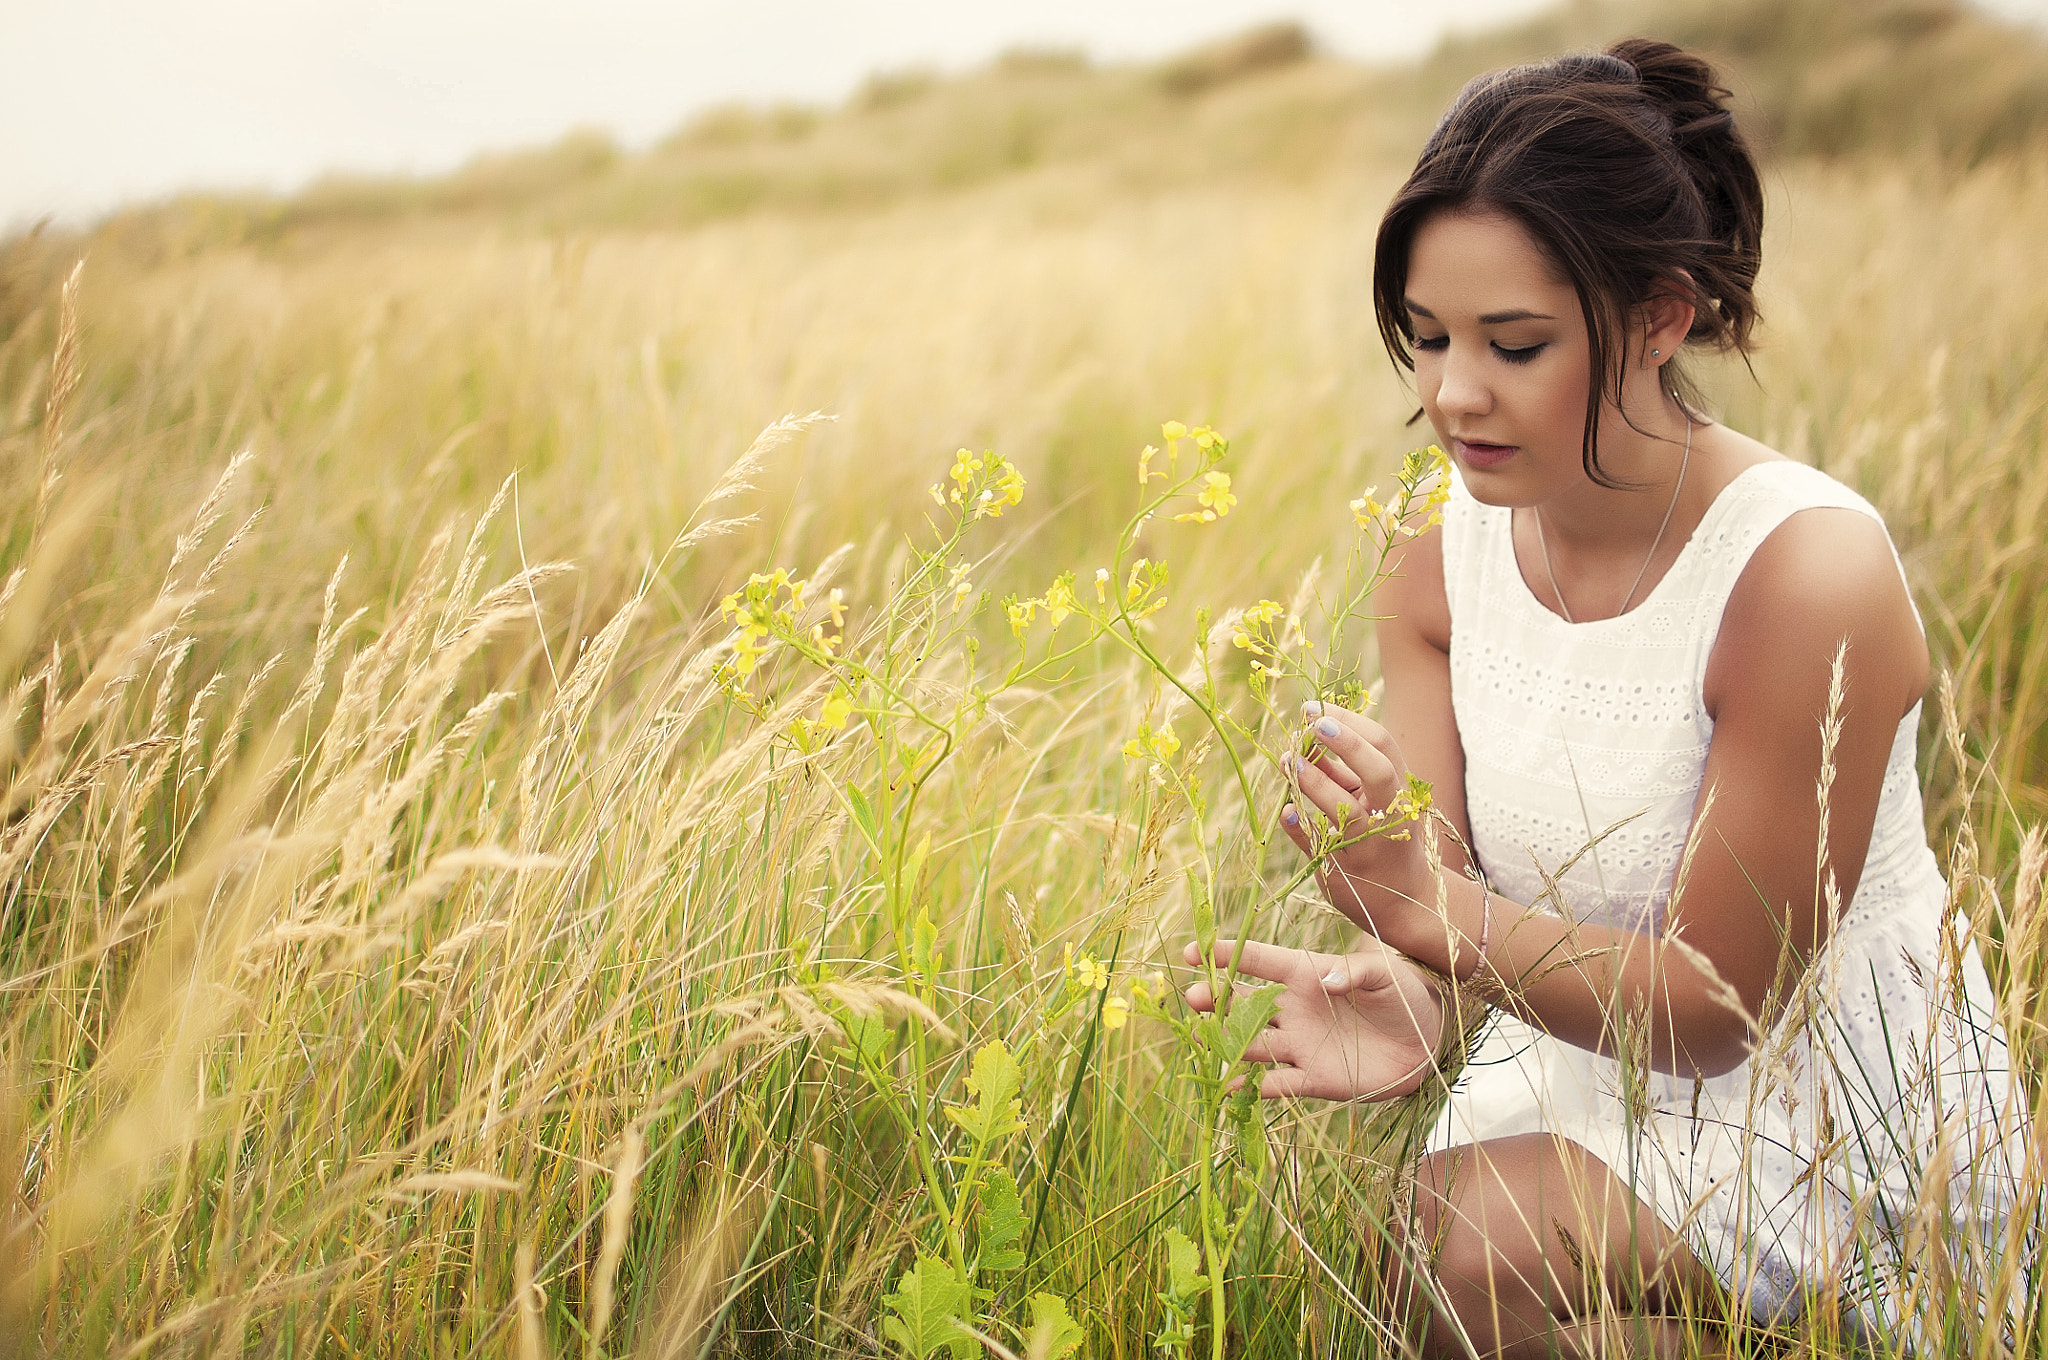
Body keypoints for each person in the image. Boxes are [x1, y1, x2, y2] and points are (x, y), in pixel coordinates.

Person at [1183, 37, 2025, 1358]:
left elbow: (1713, 1010)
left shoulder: (1803, 572)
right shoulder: (1434, 541)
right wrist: (1411, 1005)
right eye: (1427, 337)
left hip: (1823, 1130)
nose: (1455, 394)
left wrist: (1420, 908)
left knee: (1466, 1233)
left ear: (1660, 317)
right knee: (1421, 1248)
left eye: (1513, 344)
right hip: (1577, 1061)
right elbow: (1450, 897)